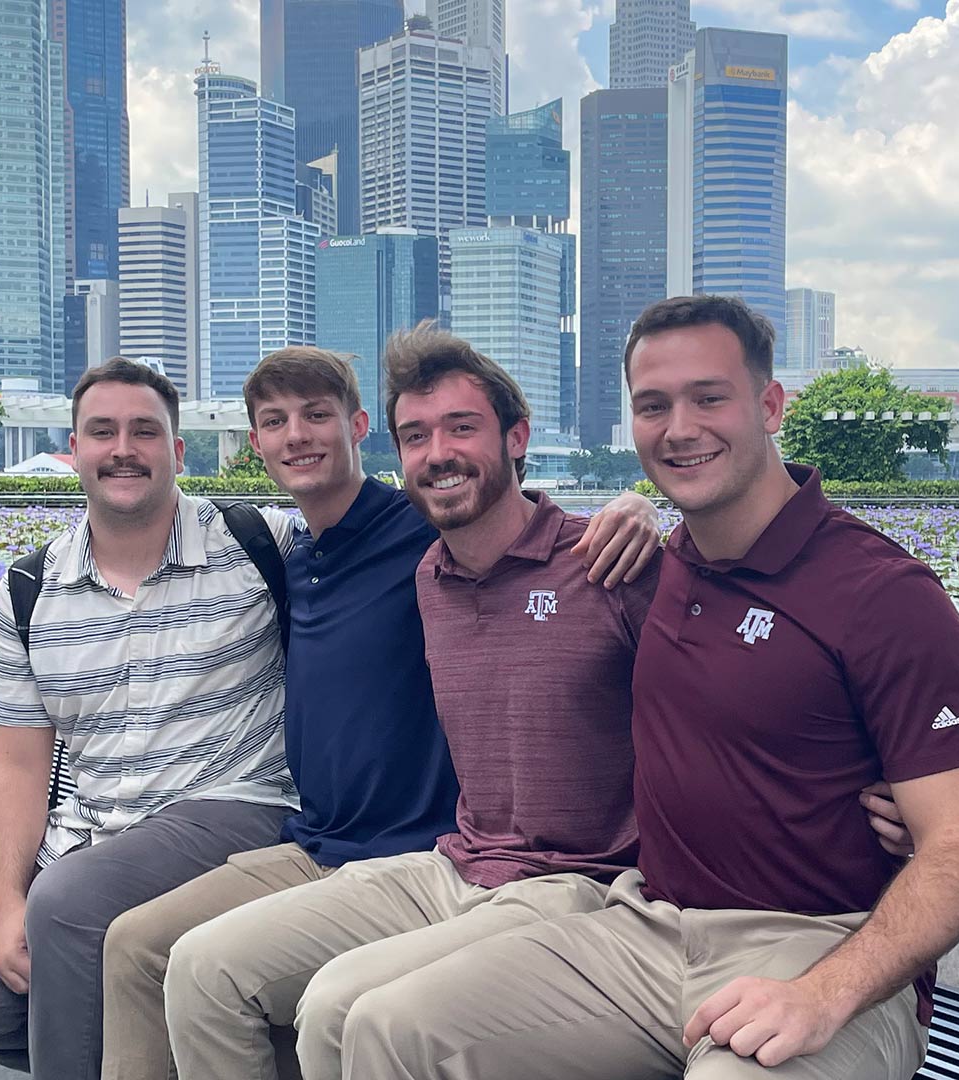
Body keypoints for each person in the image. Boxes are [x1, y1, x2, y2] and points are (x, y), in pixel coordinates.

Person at [335, 295, 959, 1079]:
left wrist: (824, 994)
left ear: (770, 405)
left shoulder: (881, 592)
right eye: (654, 406)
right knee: (384, 1026)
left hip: (820, 942)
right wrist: (633, 506)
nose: (680, 428)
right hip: (648, 924)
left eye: (708, 398)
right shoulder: (654, 564)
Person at [99, 345, 662, 1080]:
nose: (439, 453)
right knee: (199, 967)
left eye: (462, 427)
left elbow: (714, 655)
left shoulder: (597, 560)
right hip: (436, 858)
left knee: (344, 1009)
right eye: (418, 436)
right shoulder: (425, 571)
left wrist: (642, 507)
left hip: (567, 874)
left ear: (516, 437)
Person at [0, 359, 300, 1079]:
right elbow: (17, 764)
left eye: (144, 431)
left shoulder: (258, 544)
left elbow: (377, 534)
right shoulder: (29, 591)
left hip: (232, 806)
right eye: (103, 432)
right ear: (75, 448)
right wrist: (6, 905)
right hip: (94, 830)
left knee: (68, 906)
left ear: (177, 450)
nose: (124, 449)